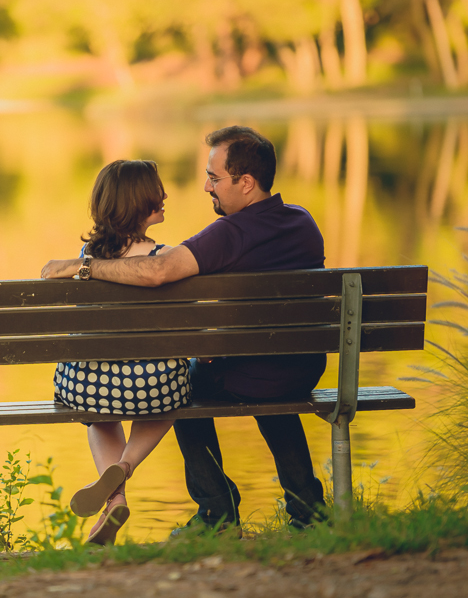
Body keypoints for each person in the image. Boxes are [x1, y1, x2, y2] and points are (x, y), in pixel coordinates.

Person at [41, 126, 327, 533]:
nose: (206, 186)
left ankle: (217, 512)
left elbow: (159, 270)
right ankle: (308, 510)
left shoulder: (232, 233)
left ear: (246, 183)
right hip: (303, 368)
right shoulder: (302, 221)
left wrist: (81, 265)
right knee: (268, 379)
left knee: (187, 384)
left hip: (252, 373)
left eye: (214, 178)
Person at [53, 159, 193, 546]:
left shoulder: (83, 260)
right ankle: (124, 467)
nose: (164, 195)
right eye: (156, 190)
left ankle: (115, 497)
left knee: (100, 408)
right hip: (152, 387)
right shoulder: (167, 259)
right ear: (138, 201)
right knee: (175, 391)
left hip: (88, 388)